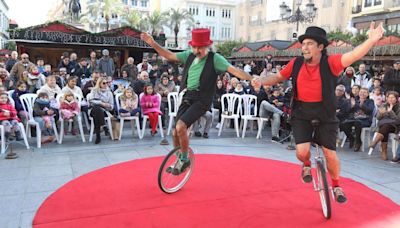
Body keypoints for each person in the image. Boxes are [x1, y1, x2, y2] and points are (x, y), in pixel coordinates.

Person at [256, 22, 384, 203]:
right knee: (301, 152)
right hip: (301, 112)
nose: (304, 47)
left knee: (330, 153)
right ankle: (306, 165)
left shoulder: (330, 63)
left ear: (320, 47)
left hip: (326, 113)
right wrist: (261, 81)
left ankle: (337, 185)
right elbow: (278, 77)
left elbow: (353, 55)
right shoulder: (296, 63)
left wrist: (371, 41)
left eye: (309, 44)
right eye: (303, 44)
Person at [141, 28, 252, 174]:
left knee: (181, 127)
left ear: (207, 46)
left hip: (202, 99)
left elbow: (235, 71)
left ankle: (185, 160)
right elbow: (168, 55)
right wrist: (153, 43)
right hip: (188, 96)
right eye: (194, 47)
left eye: (200, 47)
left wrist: (253, 79)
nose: (196, 50)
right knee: (175, 132)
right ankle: (179, 159)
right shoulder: (189, 55)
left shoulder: (215, 59)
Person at [368, 91, 400, 160]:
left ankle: (377, 144)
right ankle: (383, 151)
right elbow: (378, 118)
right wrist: (381, 113)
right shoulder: (384, 105)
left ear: (396, 99)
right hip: (384, 126)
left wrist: (390, 111)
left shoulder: (399, 107)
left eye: (392, 97)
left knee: (386, 126)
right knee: (385, 126)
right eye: (389, 97)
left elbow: (398, 121)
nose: (390, 99)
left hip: (395, 127)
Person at [86, 77, 114, 144]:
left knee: (98, 111)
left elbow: (112, 106)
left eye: (107, 83)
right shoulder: (94, 91)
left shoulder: (109, 93)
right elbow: (91, 101)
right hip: (93, 110)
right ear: (99, 84)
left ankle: (98, 135)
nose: (106, 84)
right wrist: (102, 103)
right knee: (97, 108)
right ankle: (104, 126)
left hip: (105, 111)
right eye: (104, 83)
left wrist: (108, 105)